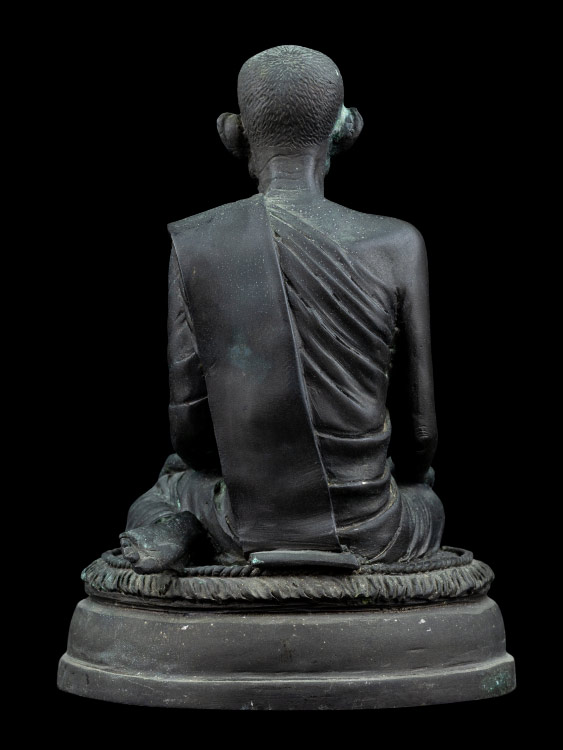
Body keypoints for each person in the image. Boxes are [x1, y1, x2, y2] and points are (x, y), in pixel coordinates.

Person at [119, 45, 444, 573]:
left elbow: (190, 436)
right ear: (347, 129)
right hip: (373, 524)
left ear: (233, 133)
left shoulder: (199, 243)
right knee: (427, 500)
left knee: (166, 490)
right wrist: (402, 476)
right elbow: (421, 437)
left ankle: (187, 529)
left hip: (244, 518)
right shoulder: (398, 243)